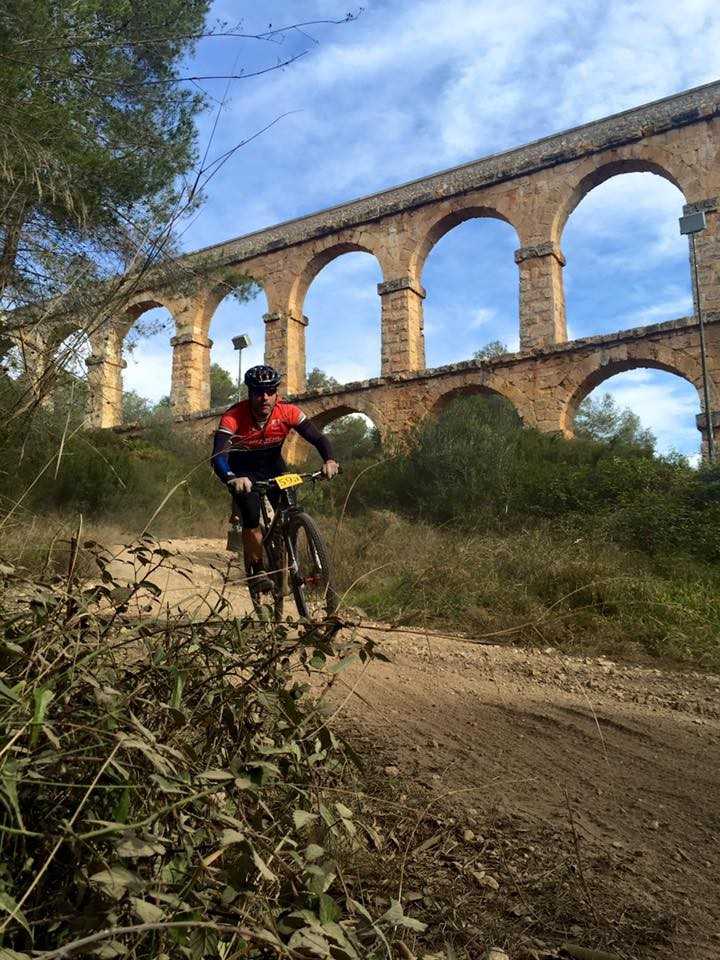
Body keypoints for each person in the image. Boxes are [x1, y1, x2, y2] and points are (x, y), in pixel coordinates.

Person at [211, 364, 338, 591]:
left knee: (289, 509)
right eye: (258, 392)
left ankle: (289, 544)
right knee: (250, 516)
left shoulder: (288, 411)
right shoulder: (234, 415)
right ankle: (258, 569)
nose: (265, 397)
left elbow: (318, 438)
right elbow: (218, 455)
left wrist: (329, 460)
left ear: (276, 393)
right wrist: (231, 477)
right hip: (243, 472)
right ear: (249, 393)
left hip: (274, 467)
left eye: (270, 391)